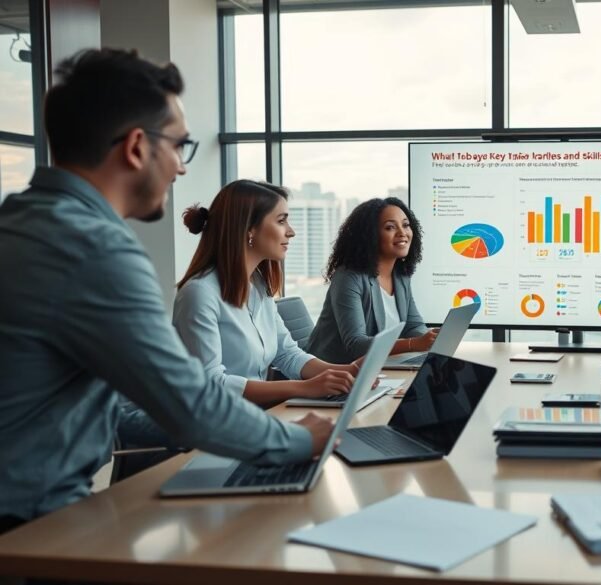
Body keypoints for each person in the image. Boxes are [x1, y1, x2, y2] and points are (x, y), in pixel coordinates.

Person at [0, 48, 333, 532]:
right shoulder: (95, 249)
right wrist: (298, 440)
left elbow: (116, 402)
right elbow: (191, 404)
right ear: (137, 147)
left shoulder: (22, 224)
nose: (180, 168)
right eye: (180, 146)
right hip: (29, 522)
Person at [173, 180, 359, 407]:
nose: (291, 231)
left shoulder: (258, 285)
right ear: (249, 229)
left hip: (257, 416)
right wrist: (305, 388)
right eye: (281, 221)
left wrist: (348, 372)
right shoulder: (199, 294)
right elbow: (211, 383)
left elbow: (287, 354)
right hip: (216, 424)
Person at [307, 197, 438, 364]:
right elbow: (356, 344)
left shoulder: (400, 275)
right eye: (390, 227)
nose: (402, 233)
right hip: (334, 374)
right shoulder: (349, 277)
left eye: (405, 225)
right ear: (370, 235)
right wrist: (413, 344)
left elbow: (412, 325)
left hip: (377, 368)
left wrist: (431, 338)